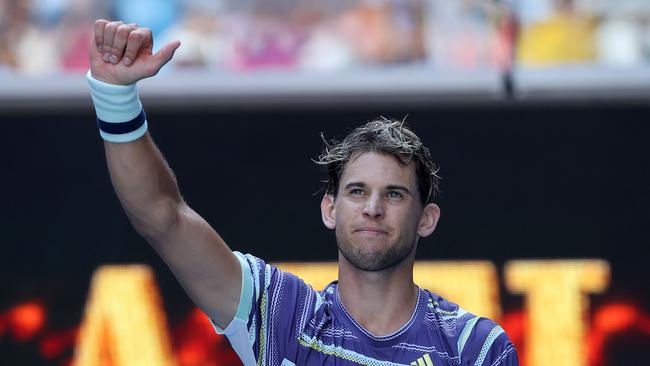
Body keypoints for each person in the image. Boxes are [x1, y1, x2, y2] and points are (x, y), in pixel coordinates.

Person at [87, 19, 518, 366]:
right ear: (329, 209)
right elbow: (163, 218)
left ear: (427, 218)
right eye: (356, 191)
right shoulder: (282, 316)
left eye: (394, 195)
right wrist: (115, 97)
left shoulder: (474, 348)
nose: (372, 208)